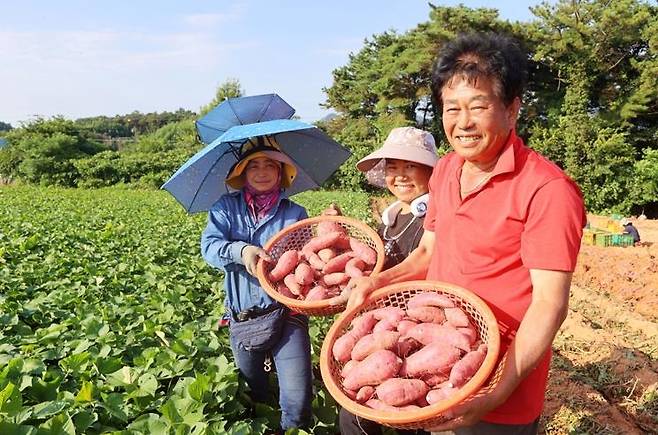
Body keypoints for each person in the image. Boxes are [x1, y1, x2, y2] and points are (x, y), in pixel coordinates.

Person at [347, 32, 586, 434]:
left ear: (512, 110)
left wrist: (496, 392)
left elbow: (549, 304)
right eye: (451, 108)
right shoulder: (445, 170)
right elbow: (427, 251)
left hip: (500, 384)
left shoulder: (547, 190)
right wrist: (378, 281)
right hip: (440, 360)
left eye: (478, 106)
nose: (463, 123)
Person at [200, 137, 312, 433]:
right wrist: (241, 250)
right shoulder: (225, 208)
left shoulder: (294, 213)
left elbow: (309, 257)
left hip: (288, 313)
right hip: (244, 315)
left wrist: (329, 230)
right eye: (254, 165)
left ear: (281, 173)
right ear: (243, 172)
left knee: (298, 399)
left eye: (270, 165)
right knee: (255, 392)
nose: (262, 172)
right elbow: (210, 247)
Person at [336, 127, 438, 435]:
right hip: (380, 328)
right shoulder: (392, 217)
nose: (400, 175)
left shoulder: (434, 216)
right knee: (357, 411)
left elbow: (424, 261)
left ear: (431, 171)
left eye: (411, 166)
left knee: (410, 411)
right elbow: (376, 260)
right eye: (393, 167)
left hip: (415, 331)